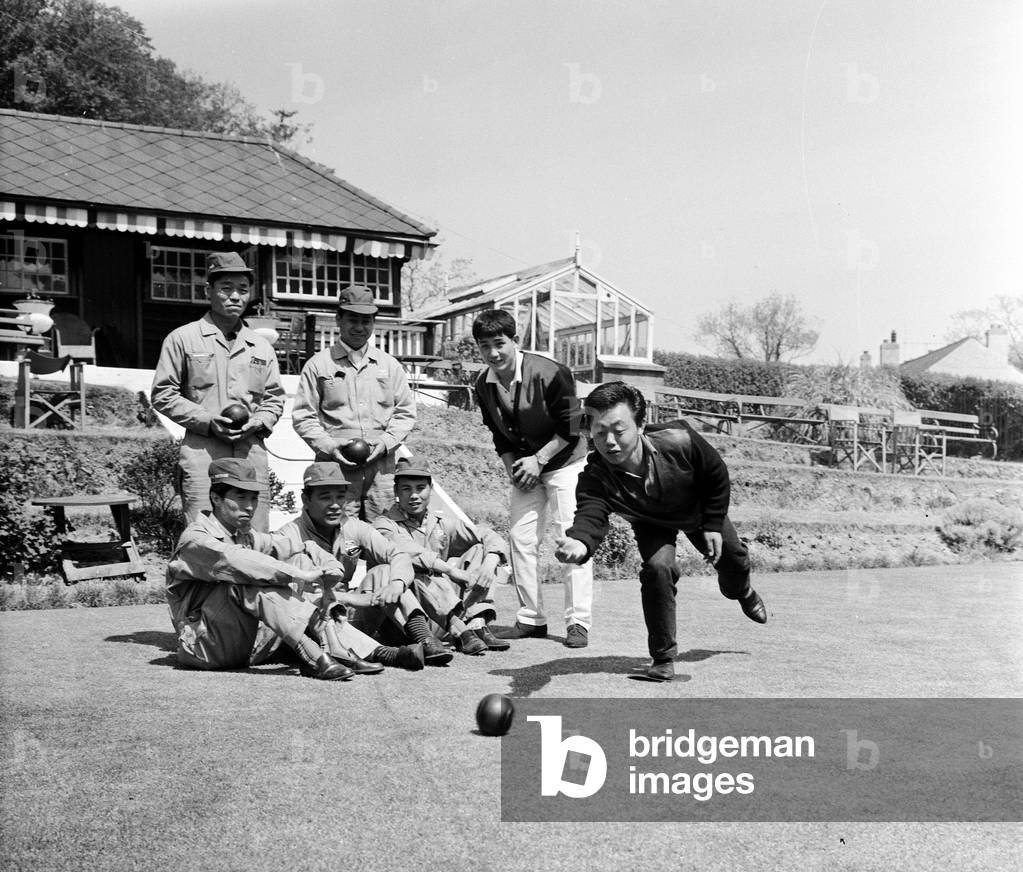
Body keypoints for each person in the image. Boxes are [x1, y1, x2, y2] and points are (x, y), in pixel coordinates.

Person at [554, 381, 768, 682]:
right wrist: (579, 543)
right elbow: (590, 516)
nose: (610, 441)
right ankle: (663, 659)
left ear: (641, 424)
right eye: (600, 432)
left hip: (696, 510)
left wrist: (713, 523)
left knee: (732, 561)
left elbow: (716, 472)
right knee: (657, 569)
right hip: (650, 521)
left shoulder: (679, 439)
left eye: (619, 430)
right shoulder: (595, 477)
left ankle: (742, 591)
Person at [165, 457, 353, 681]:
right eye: (241, 497)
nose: (250, 506)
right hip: (205, 647)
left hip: (249, 644)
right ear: (216, 498)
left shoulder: (244, 535)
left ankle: (339, 646)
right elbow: (235, 560)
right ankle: (313, 654)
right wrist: (300, 575)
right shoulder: (195, 540)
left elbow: (294, 545)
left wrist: (330, 565)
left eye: (254, 498)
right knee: (247, 581)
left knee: (300, 558)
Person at [472, 309, 593, 648]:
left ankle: (578, 622)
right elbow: (499, 436)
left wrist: (539, 460)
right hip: (526, 467)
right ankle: (531, 618)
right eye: (485, 346)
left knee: (572, 537)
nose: (494, 353)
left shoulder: (552, 372)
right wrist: (516, 469)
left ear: (515, 341)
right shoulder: (484, 384)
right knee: (520, 537)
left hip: (565, 462)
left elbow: (572, 427)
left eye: (500, 343)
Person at [151, 251, 284, 532]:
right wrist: (207, 421)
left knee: (254, 534)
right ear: (208, 290)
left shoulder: (261, 347)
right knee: (202, 536)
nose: (235, 296)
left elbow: (274, 398)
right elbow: (163, 393)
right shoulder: (183, 339)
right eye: (226, 288)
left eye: (243, 290)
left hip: (250, 451)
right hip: (204, 452)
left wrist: (258, 421)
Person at [273, 461, 454, 667]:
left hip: (349, 614)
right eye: (325, 498)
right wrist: (351, 598)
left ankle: (425, 639)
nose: (334, 505)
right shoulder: (288, 536)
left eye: (340, 497)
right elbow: (289, 598)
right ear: (306, 499)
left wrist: (396, 583)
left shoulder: (354, 527)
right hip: (314, 621)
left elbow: (398, 554)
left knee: (385, 571)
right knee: (311, 591)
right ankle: (386, 654)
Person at [291, 285, 416, 521]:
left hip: (381, 469)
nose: (359, 327)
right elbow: (303, 416)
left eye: (366, 321)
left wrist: (385, 443)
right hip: (336, 469)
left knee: (384, 532)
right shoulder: (319, 365)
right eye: (352, 319)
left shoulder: (389, 366)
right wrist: (329, 446)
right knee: (340, 536)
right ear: (338, 319)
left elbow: (405, 414)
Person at [373, 456, 510, 655]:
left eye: (420, 488)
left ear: (431, 489)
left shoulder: (440, 523)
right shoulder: (383, 524)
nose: (414, 495)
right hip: (403, 619)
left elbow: (488, 534)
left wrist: (490, 564)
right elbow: (408, 553)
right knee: (416, 572)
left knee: (480, 549)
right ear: (395, 492)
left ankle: (476, 624)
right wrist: (451, 571)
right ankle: (459, 630)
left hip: (440, 612)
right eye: (406, 489)